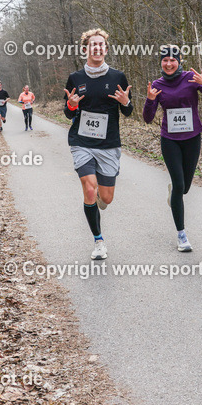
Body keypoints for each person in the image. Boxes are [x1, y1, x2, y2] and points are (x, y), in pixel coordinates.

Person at [143, 45, 202, 251]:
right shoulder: (157, 85)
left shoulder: (190, 78)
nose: (169, 63)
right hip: (170, 139)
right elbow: (147, 118)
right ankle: (181, 235)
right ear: (161, 62)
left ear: (179, 61)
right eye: (165, 60)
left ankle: (175, 193)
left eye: (173, 60)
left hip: (192, 138)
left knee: (184, 188)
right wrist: (150, 100)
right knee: (179, 185)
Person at [64, 28, 133, 260]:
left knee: (107, 197)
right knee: (89, 189)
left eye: (100, 44)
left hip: (108, 144)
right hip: (81, 141)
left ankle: (100, 198)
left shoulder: (117, 77)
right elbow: (67, 112)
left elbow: (128, 111)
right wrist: (72, 106)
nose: (97, 48)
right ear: (85, 49)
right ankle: (98, 241)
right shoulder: (75, 78)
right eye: (93, 44)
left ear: (106, 49)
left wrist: (126, 102)